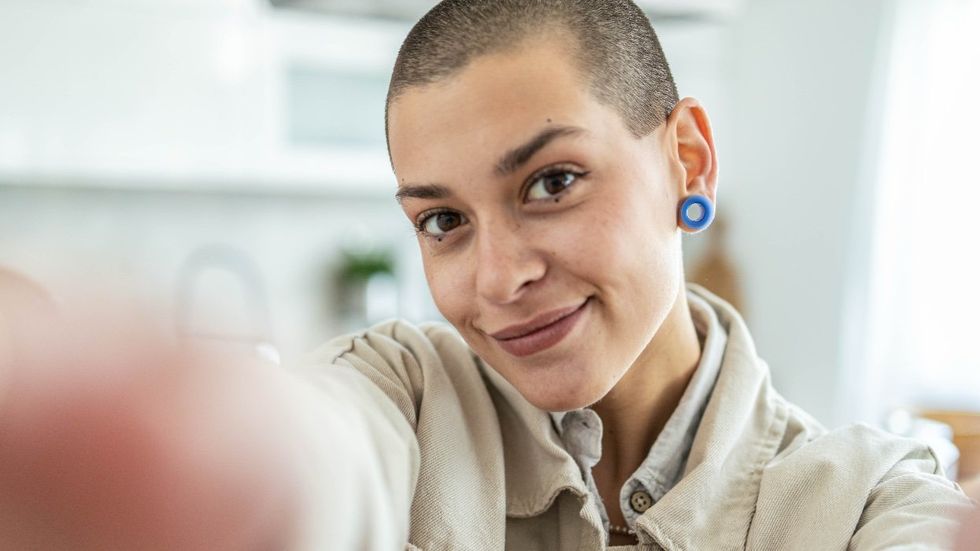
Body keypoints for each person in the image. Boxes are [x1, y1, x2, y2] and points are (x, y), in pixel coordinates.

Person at [0, 0, 976, 550]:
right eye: (441, 220)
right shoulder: (403, 394)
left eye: (550, 180)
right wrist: (228, 466)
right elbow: (318, 447)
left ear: (687, 159)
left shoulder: (861, 499)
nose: (497, 274)